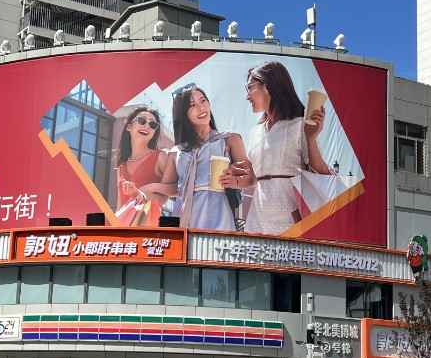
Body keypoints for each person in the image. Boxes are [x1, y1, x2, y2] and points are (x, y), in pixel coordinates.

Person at [226, 61, 333, 235]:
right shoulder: (255, 132)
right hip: (257, 217)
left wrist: (311, 138)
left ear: (268, 86)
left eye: (250, 88)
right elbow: (253, 180)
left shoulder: (299, 125)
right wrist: (237, 180)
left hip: (288, 216)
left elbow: (320, 173)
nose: (247, 96)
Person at [156, 84, 248, 231]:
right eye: (192, 105)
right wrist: (148, 188)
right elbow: (171, 188)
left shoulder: (229, 140)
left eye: (203, 100)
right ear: (183, 114)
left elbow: (249, 179)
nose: (201, 108)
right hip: (184, 218)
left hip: (219, 216)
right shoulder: (176, 152)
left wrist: (234, 180)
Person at [115, 107, 169, 227]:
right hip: (124, 228)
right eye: (141, 121)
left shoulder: (160, 157)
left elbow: (165, 198)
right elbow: (120, 205)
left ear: (154, 132)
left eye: (152, 124)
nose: (147, 126)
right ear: (129, 127)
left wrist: (139, 193)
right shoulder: (121, 166)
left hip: (148, 227)